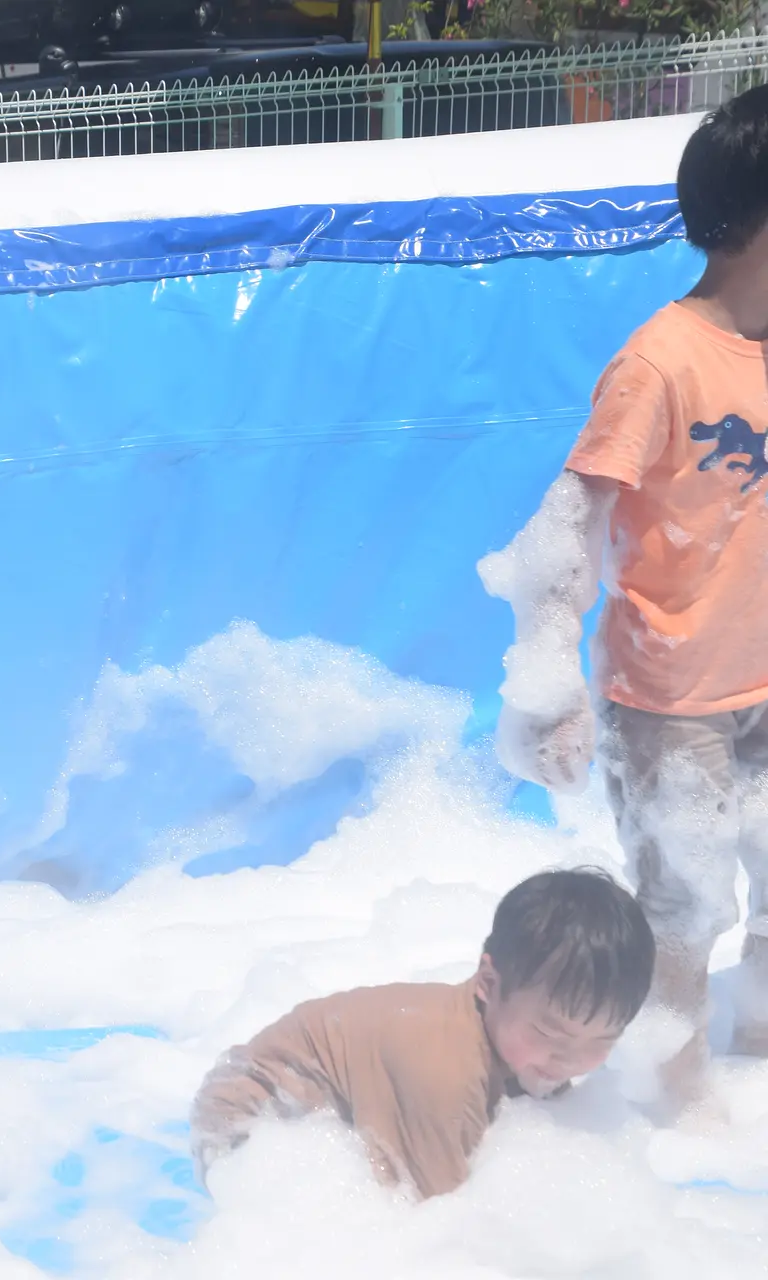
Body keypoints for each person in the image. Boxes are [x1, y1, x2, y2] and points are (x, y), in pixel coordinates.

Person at [483, 86, 768, 1116]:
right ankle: (678, 1111)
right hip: (670, 699)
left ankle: (755, 1069)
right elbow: (569, 524)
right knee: (684, 912)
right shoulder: (660, 362)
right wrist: (550, 683)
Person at [192, 868, 654, 1199]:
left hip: (330, 1106)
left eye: (603, 1040)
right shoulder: (444, 1071)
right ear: (488, 983)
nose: (570, 1060)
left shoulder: (518, 1040)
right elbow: (443, 1228)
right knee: (385, 1200)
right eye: (550, 1033)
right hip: (249, 1121)